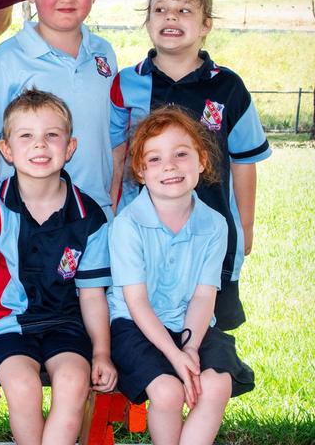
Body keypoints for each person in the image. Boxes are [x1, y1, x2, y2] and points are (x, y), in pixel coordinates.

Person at [109, 0, 271, 329]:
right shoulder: (127, 83)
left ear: (206, 25)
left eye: (184, 10)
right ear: (147, 21)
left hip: (210, 238)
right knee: (139, 332)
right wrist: (112, 214)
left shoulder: (229, 87)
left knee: (208, 335)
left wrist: (244, 227)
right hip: (145, 241)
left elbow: (244, 162)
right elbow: (118, 157)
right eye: (161, 9)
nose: (171, 17)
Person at [0, 89, 115, 445]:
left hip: (65, 323)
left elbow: (92, 296)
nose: (40, 146)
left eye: (52, 136)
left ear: (70, 147)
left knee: (74, 381)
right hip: (8, 326)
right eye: (26, 136)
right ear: (7, 151)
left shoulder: (90, 217)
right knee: (23, 385)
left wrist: (102, 352)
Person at [108, 107, 254, 445]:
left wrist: (189, 348)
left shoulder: (215, 224)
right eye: (155, 159)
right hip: (135, 326)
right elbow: (137, 303)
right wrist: (177, 357)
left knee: (216, 384)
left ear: (202, 160)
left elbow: (204, 296)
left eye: (181, 154)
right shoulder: (128, 225)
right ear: (140, 172)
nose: (170, 166)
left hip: (192, 323)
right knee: (169, 392)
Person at [0, 0, 117, 216]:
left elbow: (112, 133)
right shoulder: (6, 61)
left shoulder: (104, 54)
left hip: (96, 213)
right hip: (25, 214)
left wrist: (111, 199)